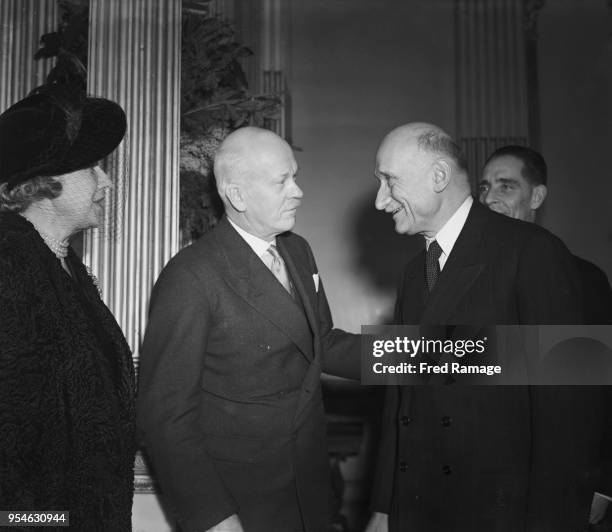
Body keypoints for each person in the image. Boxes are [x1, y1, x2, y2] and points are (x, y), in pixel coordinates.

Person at [365, 123, 611, 531]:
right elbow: (401, 400)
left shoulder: (533, 251)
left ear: (439, 177)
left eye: (390, 181)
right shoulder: (414, 272)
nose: (379, 201)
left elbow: (570, 413)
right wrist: (385, 506)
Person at [137, 127, 360, 532]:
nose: (298, 191)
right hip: (242, 503)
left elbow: (321, 342)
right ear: (237, 196)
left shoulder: (297, 250)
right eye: (283, 181)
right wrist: (213, 518)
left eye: (295, 176)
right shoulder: (191, 275)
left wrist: (443, 356)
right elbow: (166, 414)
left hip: (308, 489)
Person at [0, 84, 136, 530]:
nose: (106, 181)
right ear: (45, 181)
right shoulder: (8, 264)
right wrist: (40, 524)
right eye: (93, 167)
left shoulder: (64, 266)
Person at [479, 144, 612, 324]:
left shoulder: (588, 279)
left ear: (536, 197)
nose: (488, 199)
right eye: (484, 188)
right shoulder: (466, 272)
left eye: (506, 187)